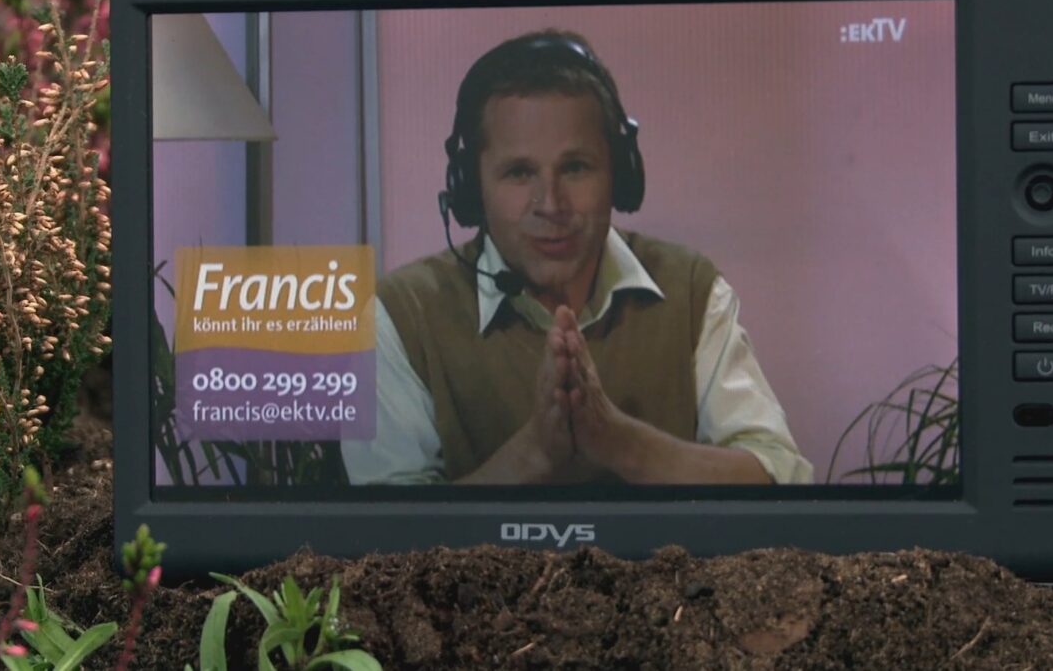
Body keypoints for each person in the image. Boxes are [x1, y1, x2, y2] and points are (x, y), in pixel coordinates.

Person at [341, 29, 812, 486]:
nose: (551, 204)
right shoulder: (400, 315)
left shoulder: (691, 290)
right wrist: (534, 455)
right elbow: (381, 530)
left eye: (575, 167)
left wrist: (621, 443)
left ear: (620, 174)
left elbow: (778, 474)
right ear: (470, 186)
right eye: (519, 172)